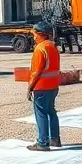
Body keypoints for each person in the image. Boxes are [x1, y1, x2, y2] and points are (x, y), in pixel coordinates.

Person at [27, 21, 61, 152]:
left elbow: (37, 72)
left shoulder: (40, 49)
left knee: (40, 113)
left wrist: (30, 87)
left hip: (41, 87)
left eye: (35, 34)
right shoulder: (52, 47)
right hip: (53, 85)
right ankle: (55, 139)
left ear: (40, 34)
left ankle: (42, 142)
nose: (33, 37)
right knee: (51, 112)